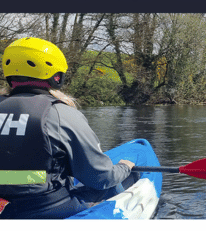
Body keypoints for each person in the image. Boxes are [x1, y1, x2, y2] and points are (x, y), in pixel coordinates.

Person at [0, 37, 137, 219]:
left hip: (5, 207)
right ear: (56, 77)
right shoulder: (59, 113)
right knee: (113, 182)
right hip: (46, 209)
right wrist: (124, 168)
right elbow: (101, 178)